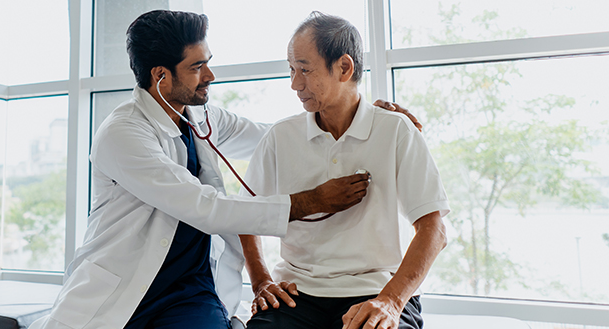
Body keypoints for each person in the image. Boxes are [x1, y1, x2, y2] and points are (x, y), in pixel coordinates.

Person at [30, 9, 418, 329]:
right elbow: (205, 206)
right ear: (161, 76)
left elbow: (277, 137)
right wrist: (311, 201)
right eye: (198, 67)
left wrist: (352, 113)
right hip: (121, 287)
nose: (210, 76)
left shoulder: (201, 116)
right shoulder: (122, 133)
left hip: (189, 290)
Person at [240, 11, 450, 329]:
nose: (295, 84)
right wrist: (261, 282)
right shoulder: (280, 137)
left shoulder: (396, 130)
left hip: (376, 290)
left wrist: (391, 302)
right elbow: (246, 216)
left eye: (305, 71)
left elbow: (434, 230)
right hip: (298, 295)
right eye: (291, 70)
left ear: (344, 67)